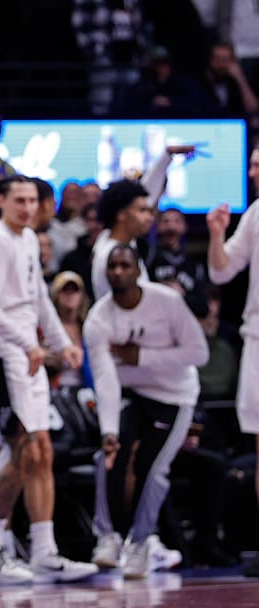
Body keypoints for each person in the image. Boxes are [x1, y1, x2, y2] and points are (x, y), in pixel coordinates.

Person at [0, 176, 99, 585]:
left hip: (25, 352)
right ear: (0, 200)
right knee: (19, 449)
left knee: (41, 451)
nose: (25, 207)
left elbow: (37, 294)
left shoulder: (27, 239)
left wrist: (60, 341)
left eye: (32, 201)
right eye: (17, 200)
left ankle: (44, 552)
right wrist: (28, 342)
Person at [83, 245, 208, 579]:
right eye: (112, 266)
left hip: (175, 395)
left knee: (151, 469)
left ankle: (140, 543)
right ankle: (107, 538)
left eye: (125, 265)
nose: (118, 272)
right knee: (107, 457)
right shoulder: (98, 318)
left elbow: (199, 353)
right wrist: (108, 431)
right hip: (131, 393)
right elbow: (105, 379)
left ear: (138, 270)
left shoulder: (167, 303)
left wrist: (143, 357)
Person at [206, 147, 259, 577]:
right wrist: (216, 234)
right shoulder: (255, 213)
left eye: (258, 163)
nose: (252, 170)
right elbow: (222, 273)